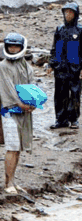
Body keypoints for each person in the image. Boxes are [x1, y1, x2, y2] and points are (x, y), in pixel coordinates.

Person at [0, 33, 36, 195]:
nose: (13, 49)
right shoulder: (3, 66)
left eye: (16, 46)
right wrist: (19, 104)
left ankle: (13, 180)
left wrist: (33, 102)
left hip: (24, 111)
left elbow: (31, 85)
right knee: (12, 147)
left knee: (18, 148)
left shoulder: (25, 64)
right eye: (10, 46)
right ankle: (7, 183)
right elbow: (6, 89)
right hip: (8, 111)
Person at [47, 2, 82, 130]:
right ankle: (61, 119)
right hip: (61, 67)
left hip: (75, 68)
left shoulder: (81, 30)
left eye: (70, 12)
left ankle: (73, 119)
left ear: (75, 14)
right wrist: (51, 64)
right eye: (66, 12)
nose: (68, 15)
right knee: (60, 94)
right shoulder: (60, 29)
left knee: (75, 94)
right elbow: (55, 49)